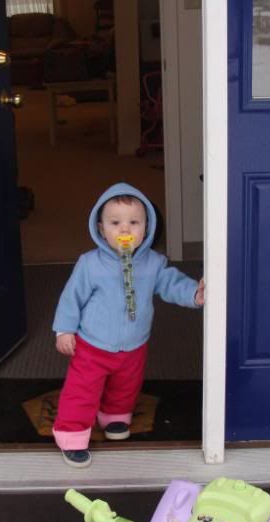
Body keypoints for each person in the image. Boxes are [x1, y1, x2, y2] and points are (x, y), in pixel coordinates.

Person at [52, 182, 205, 468]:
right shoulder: (90, 264)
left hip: (135, 344)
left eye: (134, 222)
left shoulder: (153, 263)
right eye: (115, 223)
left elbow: (171, 284)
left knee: (126, 385)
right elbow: (71, 297)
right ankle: (71, 434)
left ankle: (114, 417)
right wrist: (65, 329)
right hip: (93, 344)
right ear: (101, 228)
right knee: (82, 391)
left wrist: (194, 293)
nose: (125, 230)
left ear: (146, 228)